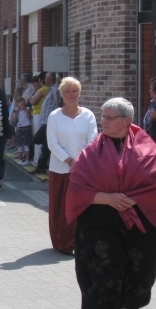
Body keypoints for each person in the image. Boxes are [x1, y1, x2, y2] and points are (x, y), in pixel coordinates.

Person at [66, 97, 156, 309]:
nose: (104, 122)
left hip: (140, 220)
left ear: (127, 121)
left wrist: (133, 198)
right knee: (103, 273)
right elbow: (78, 187)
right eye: (103, 117)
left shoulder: (147, 148)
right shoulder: (92, 151)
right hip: (100, 221)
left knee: (140, 271)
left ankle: (133, 305)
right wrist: (108, 198)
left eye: (110, 118)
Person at [46, 77, 97, 255]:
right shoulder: (55, 117)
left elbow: (92, 141)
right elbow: (52, 143)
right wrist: (69, 160)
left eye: (74, 91)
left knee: (82, 206)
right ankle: (62, 241)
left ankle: (79, 240)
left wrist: (80, 161)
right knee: (61, 206)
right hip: (61, 169)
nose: (71, 94)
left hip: (83, 170)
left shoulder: (88, 116)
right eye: (68, 91)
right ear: (62, 94)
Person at [31, 72, 60, 173]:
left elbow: (57, 104)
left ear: (51, 79)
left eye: (46, 78)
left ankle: (43, 165)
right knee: (44, 144)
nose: (44, 80)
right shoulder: (50, 90)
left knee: (39, 139)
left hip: (49, 121)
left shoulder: (55, 90)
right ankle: (41, 166)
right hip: (45, 121)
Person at [29, 73, 47, 166]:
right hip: (36, 114)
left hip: (39, 115)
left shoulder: (43, 89)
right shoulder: (42, 90)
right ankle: (36, 160)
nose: (34, 85)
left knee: (37, 138)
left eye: (36, 82)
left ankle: (37, 161)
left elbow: (32, 101)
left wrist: (31, 98)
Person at [10, 97, 33, 165]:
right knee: (20, 145)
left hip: (26, 128)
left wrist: (25, 109)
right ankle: (20, 159)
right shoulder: (17, 110)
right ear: (18, 104)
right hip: (19, 128)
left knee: (26, 144)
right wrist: (14, 113)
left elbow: (29, 117)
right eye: (20, 102)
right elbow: (13, 120)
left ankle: (27, 159)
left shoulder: (28, 109)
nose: (22, 103)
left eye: (23, 101)